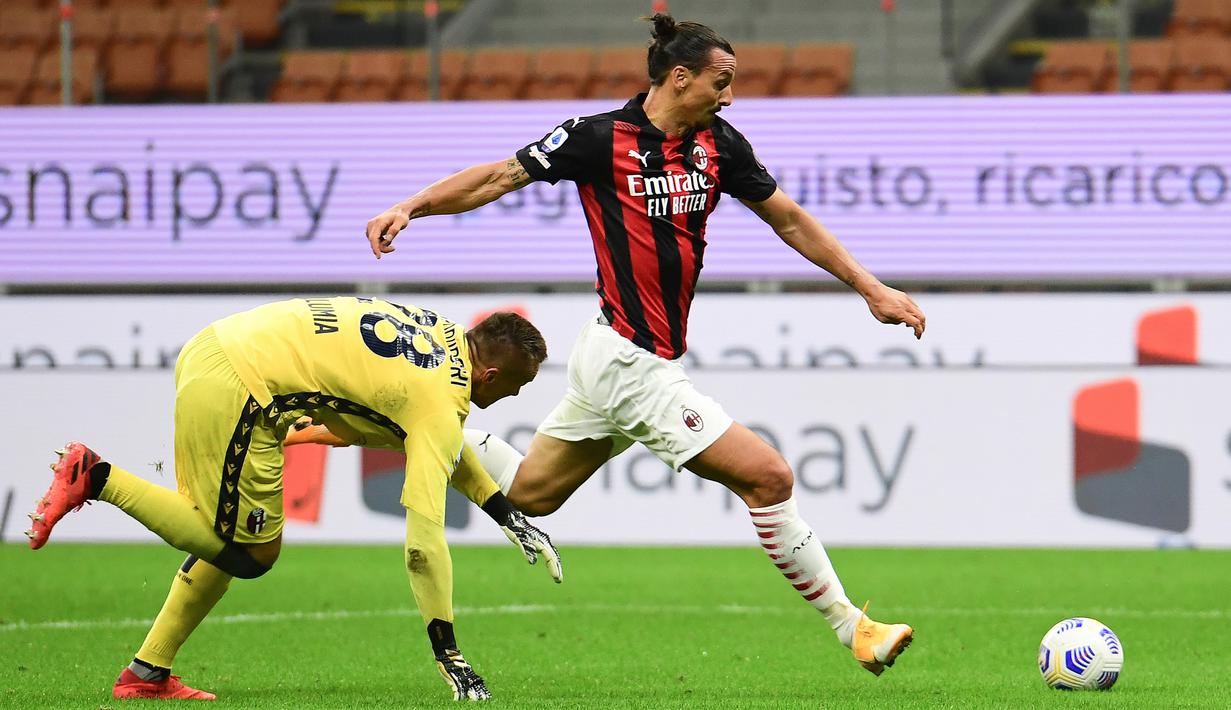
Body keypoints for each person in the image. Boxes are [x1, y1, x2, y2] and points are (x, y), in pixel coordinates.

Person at [364, 15, 926, 676]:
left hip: (627, 354)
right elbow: (496, 177)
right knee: (768, 476)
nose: (729, 96)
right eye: (721, 82)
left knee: (529, 495)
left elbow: (789, 218)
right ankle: (850, 627)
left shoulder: (718, 144)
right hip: (626, 356)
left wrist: (869, 287)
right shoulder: (597, 138)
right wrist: (412, 206)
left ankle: (405, 423)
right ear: (679, 76)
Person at [25, 296, 562, 702]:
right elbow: (423, 544)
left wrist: (504, 511)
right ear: (490, 374)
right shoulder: (440, 403)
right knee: (251, 554)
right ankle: (95, 477)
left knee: (231, 536)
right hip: (243, 389)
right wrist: (449, 651)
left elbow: (434, 439)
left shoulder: (438, 336)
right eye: (517, 386)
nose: (514, 396)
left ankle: (147, 673)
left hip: (218, 353)